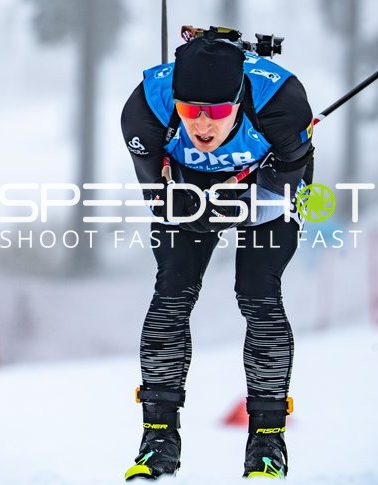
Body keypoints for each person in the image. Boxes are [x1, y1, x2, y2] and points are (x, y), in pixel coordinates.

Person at [120, 32, 314, 480]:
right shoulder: (146, 109)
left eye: (218, 113)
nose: (202, 125)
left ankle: (267, 443)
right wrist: (190, 206)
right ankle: (158, 441)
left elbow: (286, 183)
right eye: (190, 111)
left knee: (257, 292)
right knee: (172, 292)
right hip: (187, 181)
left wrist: (237, 196)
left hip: (264, 180)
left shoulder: (281, 103)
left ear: (238, 102)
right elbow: (157, 195)